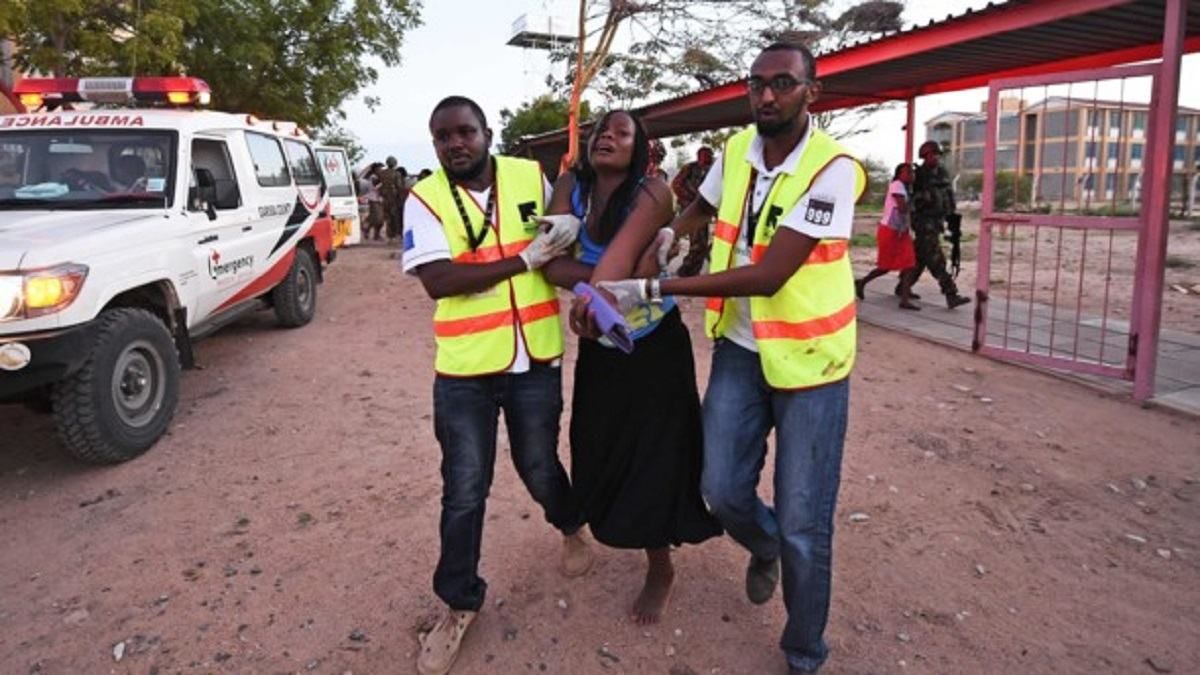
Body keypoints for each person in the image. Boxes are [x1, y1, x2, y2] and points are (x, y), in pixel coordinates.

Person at [591, 42, 862, 673]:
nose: (767, 96)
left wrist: (657, 287)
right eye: (757, 83)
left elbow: (769, 274)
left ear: (810, 93)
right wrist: (672, 232)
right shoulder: (739, 149)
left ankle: (803, 653)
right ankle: (763, 545)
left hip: (811, 361)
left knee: (804, 519)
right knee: (720, 490)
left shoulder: (834, 169)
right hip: (741, 349)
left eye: (783, 84)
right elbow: (703, 205)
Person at [402, 96, 592, 675]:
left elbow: (578, 233)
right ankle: (459, 602)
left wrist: (578, 235)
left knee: (539, 466)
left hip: (535, 359)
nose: (455, 144)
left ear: (487, 133)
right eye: (443, 137)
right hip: (465, 371)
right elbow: (440, 281)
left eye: (465, 132)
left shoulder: (530, 175)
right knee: (464, 489)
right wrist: (525, 259)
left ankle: (570, 524)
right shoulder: (424, 198)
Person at [541, 110, 722, 625]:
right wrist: (607, 285)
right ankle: (607, 528)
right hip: (600, 341)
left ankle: (660, 566)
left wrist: (598, 285)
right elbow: (551, 261)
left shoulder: (653, 192)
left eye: (623, 132)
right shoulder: (570, 186)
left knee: (657, 457)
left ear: (640, 147)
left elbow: (612, 259)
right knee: (599, 447)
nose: (608, 136)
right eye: (602, 129)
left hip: (653, 345)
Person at [910, 141, 970, 308]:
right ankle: (951, 293)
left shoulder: (941, 172)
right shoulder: (919, 175)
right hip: (924, 223)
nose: (936, 157)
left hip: (937, 221)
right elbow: (912, 200)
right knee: (936, 259)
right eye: (932, 154)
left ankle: (902, 287)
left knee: (919, 258)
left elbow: (948, 194)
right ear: (925, 156)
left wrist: (951, 216)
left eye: (937, 154)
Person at [855, 163, 919, 309]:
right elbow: (902, 208)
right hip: (891, 231)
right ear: (899, 174)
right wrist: (915, 202)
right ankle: (862, 282)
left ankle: (904, 299)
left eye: (912, 172)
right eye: (908, 172)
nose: (911, 175)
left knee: (909, 263)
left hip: (900, 231)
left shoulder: (905, 188)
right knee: (885, 266)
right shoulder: (897, 185)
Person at [671, 146, 716, 276]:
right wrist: (690, 199)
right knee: (698, 243)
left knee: (701, 242)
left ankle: (691, 270)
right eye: (706, 155)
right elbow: (676, 184)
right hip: (691, 211)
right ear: (699, 156)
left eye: (710, 155)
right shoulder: (689, 168)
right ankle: (687, 271)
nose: (709, 157)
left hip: (704, 210)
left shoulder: (712, 170)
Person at [379, 156, 408, 243]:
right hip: (394, 199)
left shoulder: (382, 173)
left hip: (385, 198)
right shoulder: (396, 174)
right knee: (395, 217)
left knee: (388, 218)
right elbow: (399, 187)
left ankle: (390, 236)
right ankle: (396, 236)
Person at [360, 163, 385, 241]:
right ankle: (367, 228)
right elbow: (377, 185)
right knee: (377, 218)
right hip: (373, 199)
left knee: (377, 218)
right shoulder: (373, 177)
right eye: (379, 169)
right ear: (375, 170)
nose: (381, 170)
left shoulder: (378, 177)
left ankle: (369, 230)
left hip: (379, 199)